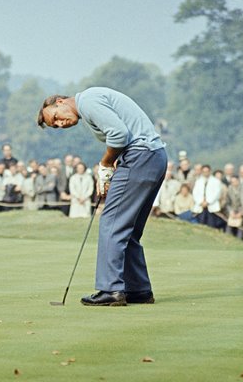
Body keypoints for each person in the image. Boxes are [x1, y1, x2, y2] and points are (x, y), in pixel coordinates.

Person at [38, 86, 166, 306]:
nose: (60, 124)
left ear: (59, 101)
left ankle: (111, 290)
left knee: (111, 223)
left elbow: (119, 134)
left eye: (56, 118)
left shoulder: (87, 101)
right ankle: (138, 289)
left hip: (139, 156)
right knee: (130, 229)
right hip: (154, 157)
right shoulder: (91, 103)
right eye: (56, 126)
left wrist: (105, 163)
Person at [192, 165, 224, 229]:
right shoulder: (198, 181)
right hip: (201, 206)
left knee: (211, 225)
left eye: (207, 171)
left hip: (211, 207)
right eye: (204, 171)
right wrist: (201, 202)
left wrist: (208, 202)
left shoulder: (216, 181)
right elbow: (195, 193)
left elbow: (217, 194)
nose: (205, 173)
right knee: (200, 225)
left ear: (210, 171)